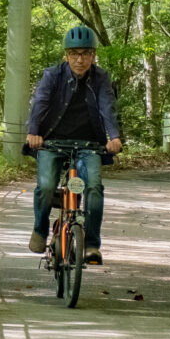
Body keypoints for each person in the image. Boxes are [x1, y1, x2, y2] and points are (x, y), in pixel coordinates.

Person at [24, 25, 123, 261]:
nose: (80, 59)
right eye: (74, 54)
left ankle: (91, 244)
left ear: (93, 56)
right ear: (66, 55)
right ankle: (40, 229)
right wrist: (34, 132)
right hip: (52, 142)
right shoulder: (52, 76)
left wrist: (114, 136)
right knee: (47, 187)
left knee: (94, 189)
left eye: (86, 54)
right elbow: (40, 102)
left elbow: (107, 107)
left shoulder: (100, 78)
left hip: (89, 145)